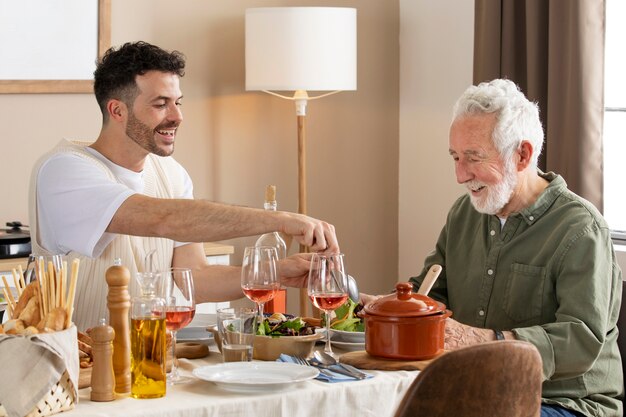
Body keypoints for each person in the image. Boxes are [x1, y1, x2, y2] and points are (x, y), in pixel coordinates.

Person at [28, 41, 339, 331]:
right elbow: (166, 219)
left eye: (177, 102)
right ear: (117, 110)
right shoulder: (64, 169)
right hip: (78, 369)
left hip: (150, 360)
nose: (177, 116)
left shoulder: (170, 173)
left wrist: (279, 273)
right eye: (161, 104)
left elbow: (196, 279)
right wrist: (281, 220)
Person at [394, 79, 621, 416]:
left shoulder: (581, 229)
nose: (460, 175)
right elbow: (431, 294)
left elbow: (579, 342)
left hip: (564, 403)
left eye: (473, 157)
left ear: (522, 154)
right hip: (477, 392)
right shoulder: (464, 214)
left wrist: (480, 341)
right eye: (455, 157)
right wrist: (387, 308)